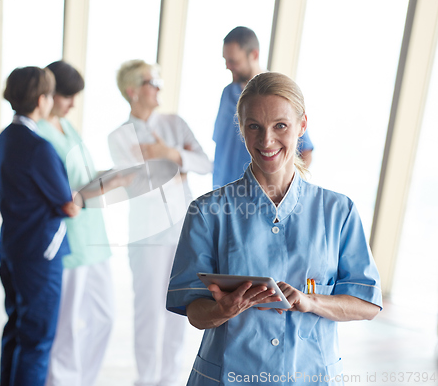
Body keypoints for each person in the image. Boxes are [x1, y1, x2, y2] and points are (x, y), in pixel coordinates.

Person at [167, 72, 382, 386]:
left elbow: (366, 303)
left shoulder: (338, 211)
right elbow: (194, 310)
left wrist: (311, 302)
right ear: (241, 129)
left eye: (280, 125)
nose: (266, 140)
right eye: (254, 126)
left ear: (302, 126)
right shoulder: (207, 211)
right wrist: (221, 311)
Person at [108, 59, 212, 386]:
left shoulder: (175, 125)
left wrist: (169, 154)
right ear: (133, 90)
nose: (159, 88)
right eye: (153, 82)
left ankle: (168, 379)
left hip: (183, 234)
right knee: (148, 311)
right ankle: (146, 379)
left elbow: (205, 164)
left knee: (180, 309)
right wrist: (176, 170)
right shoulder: (119, 137)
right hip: (147, 236)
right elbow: (142, 188)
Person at [37, 61, 127, 386]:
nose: (73, 103)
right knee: (66, 327)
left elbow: (83, 179)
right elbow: (64, 195)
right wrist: (103, 187)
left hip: (94, 239)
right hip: (70, 242)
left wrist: (112, 176)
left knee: (104, 318)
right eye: (67, 96)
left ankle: (80, 380)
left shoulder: (66, 126)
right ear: (49, 94)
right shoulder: (41, 134)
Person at [0, 66, 81, 386]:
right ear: (42, 100)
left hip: (12, 247)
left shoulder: (6, 138)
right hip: (40, 255)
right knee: (37, 340)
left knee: (16, 329)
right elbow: (66, 202)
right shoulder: (38, 146)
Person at [213, 26, 314, 189]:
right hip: (223, 197)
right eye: (226, 60)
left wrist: (283, 193)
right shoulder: (227, 93)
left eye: (233, 61)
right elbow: (220, 144)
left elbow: (306, 152)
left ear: (254, 55)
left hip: (259, 200)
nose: (228, 66)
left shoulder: (279, 97)